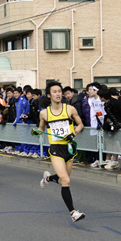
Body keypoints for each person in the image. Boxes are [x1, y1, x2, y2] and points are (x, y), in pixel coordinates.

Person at [32, 81, 85, 223]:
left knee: (63, 180)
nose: (58, 94)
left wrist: (73, 134)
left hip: (69, 147)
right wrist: (36, 132)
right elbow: (41, 129)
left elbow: (80, 124)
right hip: (55, 149)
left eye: (59, 91)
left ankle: (47, 178)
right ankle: (73, 213)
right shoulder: (44, 113)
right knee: (66, 180)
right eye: (54, 91)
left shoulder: (70, 109)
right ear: (49, 95)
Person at [97, 88, 121, 171]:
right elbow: (108, 116)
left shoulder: (116, 103)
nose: (99, 98)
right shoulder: (107, 104)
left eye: (100, 96)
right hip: (116, 127)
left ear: (103, 97)